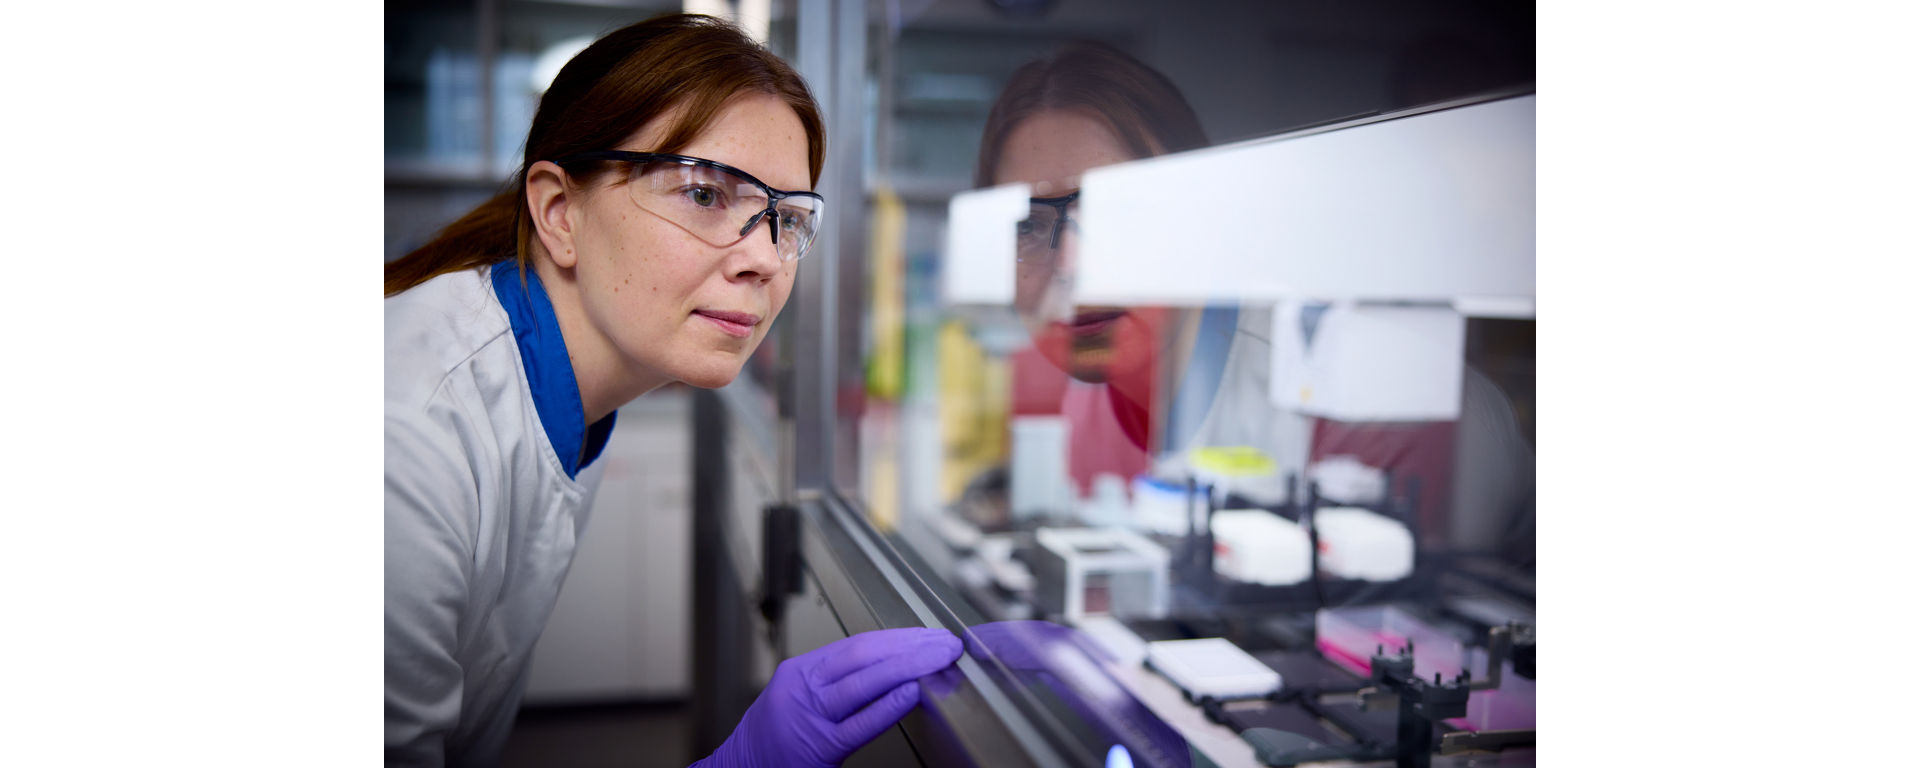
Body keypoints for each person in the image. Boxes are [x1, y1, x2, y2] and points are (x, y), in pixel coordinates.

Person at [384, 14, 959, 767]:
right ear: (560, 213)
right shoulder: (403, 441)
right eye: (704, 193)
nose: (764, 258)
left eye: (785, 218)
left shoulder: (565, 389)